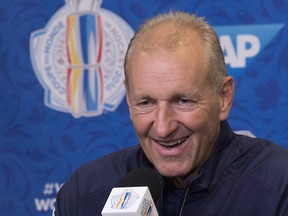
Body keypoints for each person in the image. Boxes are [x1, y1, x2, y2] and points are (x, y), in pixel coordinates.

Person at [54, 11, 288, 215]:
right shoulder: (82, 193)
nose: (163, 128)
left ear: (223, 97)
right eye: (146, 102)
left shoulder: (279, 186)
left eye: (183, 101)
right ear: (128, 99)